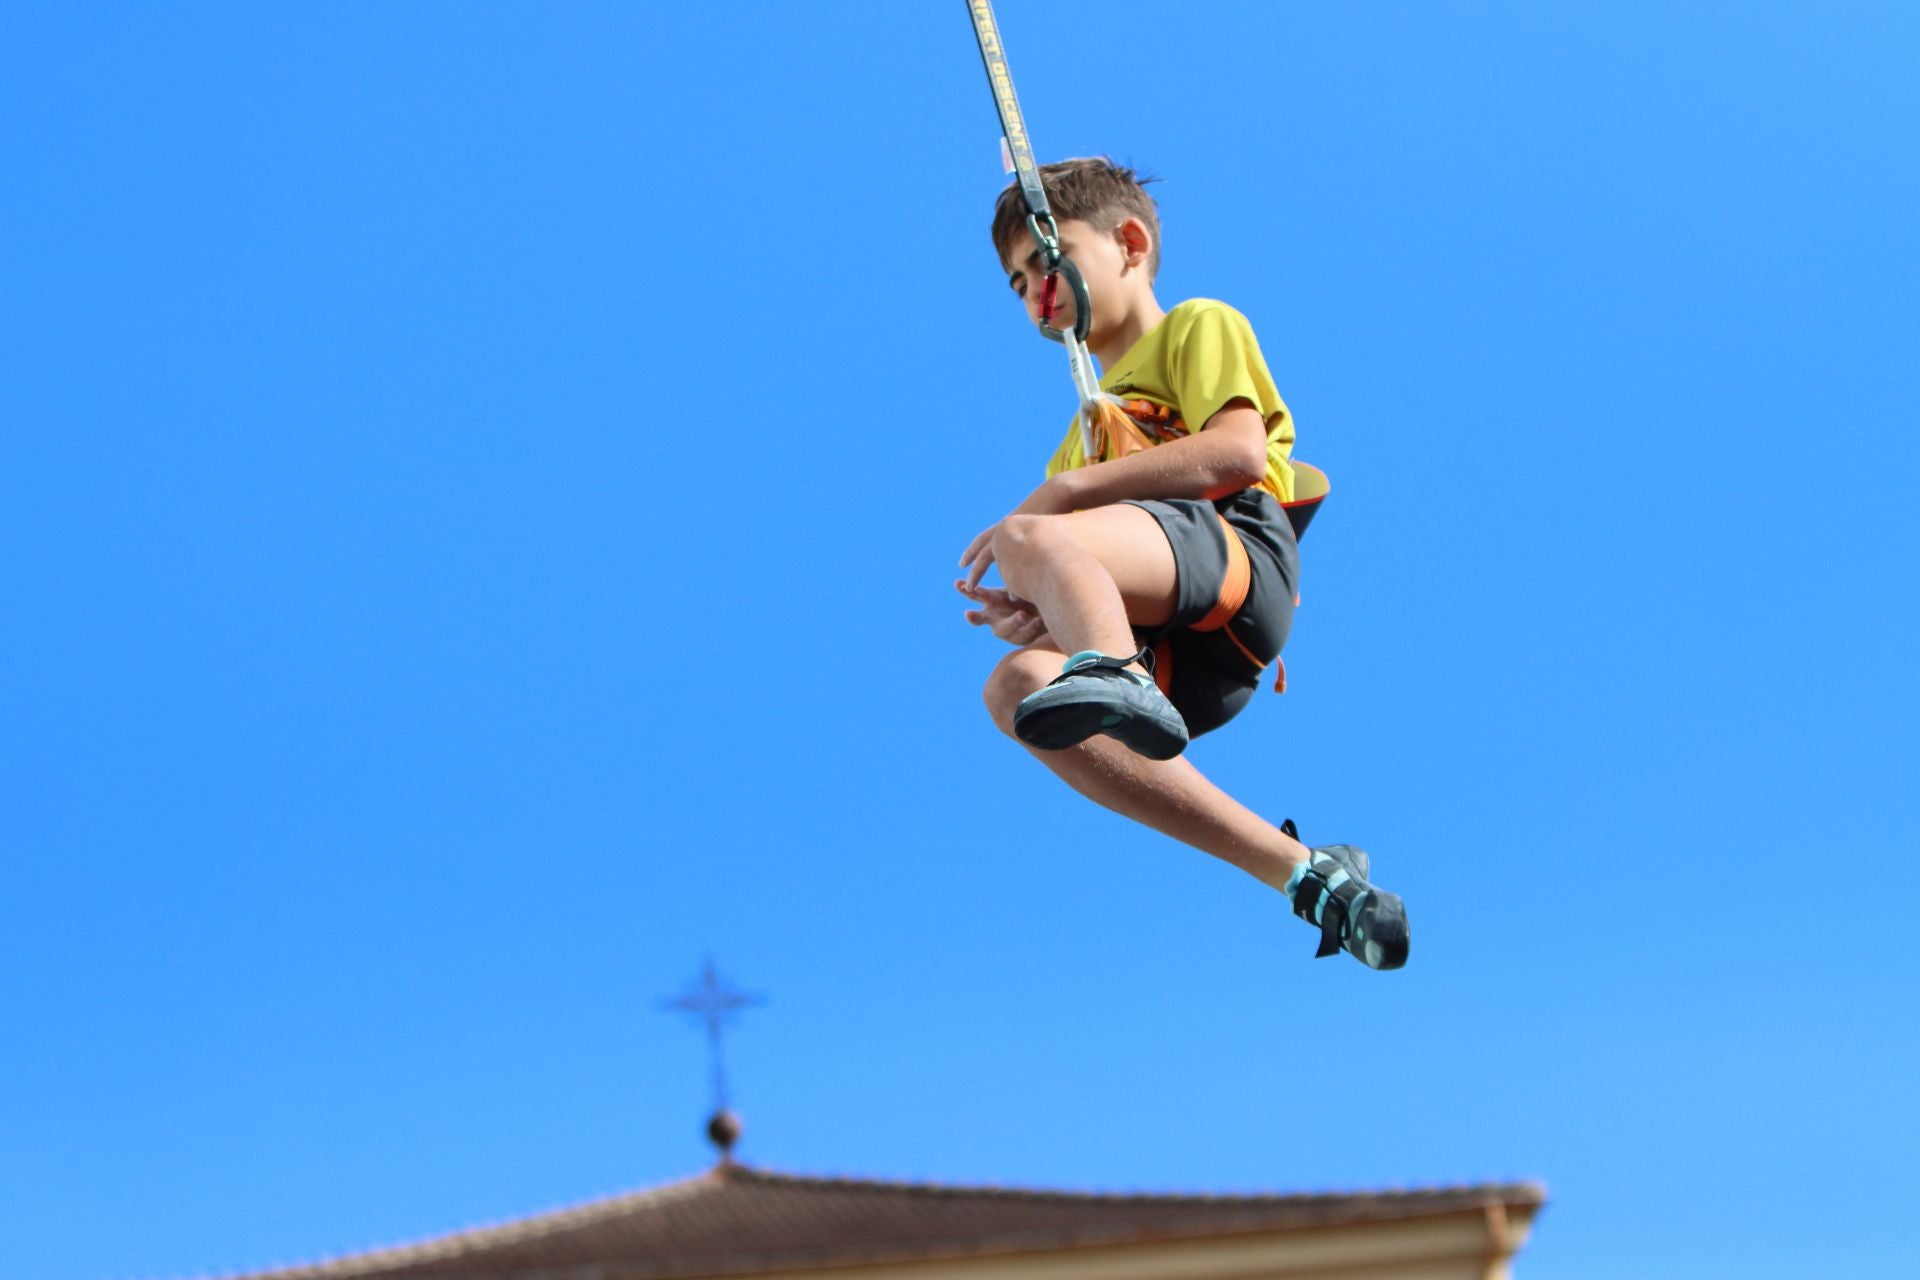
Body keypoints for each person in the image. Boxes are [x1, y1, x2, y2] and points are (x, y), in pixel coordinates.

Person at [957, 157, 1409, 970]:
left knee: (1030, 533)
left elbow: (1236, 450)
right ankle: (1307, 877)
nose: (1034, 293)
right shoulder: (1080, 440)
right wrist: (1036, 603)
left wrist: (1058, 508)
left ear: (1129, 242)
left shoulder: (1194, 327)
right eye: (1016, 283)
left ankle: (1113, 670)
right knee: (1016, 684)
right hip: (1186, 654)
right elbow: (1092, 559)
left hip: (1236, 557)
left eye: (1044, 262)